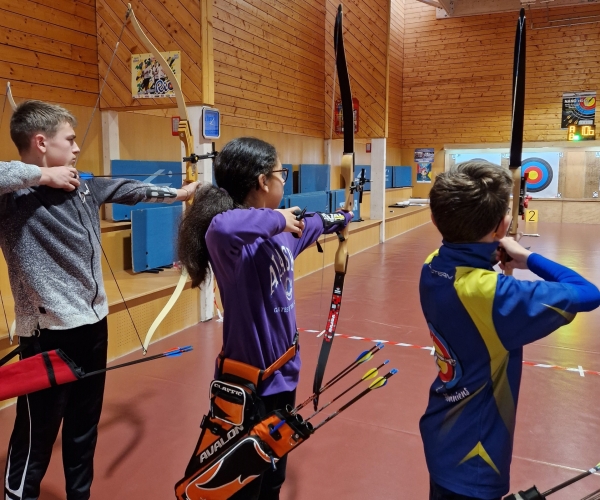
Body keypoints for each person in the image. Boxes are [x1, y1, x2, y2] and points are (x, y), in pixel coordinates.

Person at [1, 99, 198, 500]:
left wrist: (180, 194)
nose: (76, 148)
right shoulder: (13, 200)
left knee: (83, 427)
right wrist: (42, 176)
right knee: (36, 434)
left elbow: (132, 189)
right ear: (40, 142)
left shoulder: (85, 185)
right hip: (49, 332)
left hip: (94, 327)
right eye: (69, 140)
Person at [177, 137, 352, 499]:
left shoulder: (286, 234)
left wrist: (346, 215)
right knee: (243, 485)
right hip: (247, 385)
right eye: (280, 174)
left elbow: (319, 221)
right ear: (261, 181)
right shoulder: (230, 242)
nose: (283, 181)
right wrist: (278, 218)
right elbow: (224, 226)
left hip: (284, 377)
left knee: (273, 475)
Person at [419, 160, 600, 500]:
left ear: (434, 219)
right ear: (502, 226)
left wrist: (492, 248)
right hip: (476, 457)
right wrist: (526, 256)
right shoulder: (494, 297)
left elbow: (461, 256)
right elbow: (589, 293)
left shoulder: (432, 266)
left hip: (441, 433)